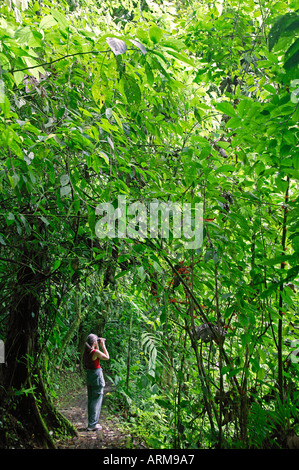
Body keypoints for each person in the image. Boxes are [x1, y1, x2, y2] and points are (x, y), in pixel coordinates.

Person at [83, 333, 109, 431]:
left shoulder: (87, 351)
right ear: (94, 342)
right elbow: (107, 357)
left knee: (91, 400)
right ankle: (92, 424)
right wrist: (103, 345)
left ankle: (91, 423)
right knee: (96, 400)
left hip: (89, 376)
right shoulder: (95, 352)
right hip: (96, 376)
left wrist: (97, 346)